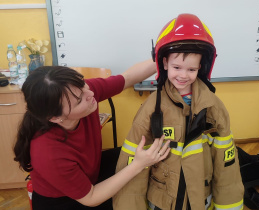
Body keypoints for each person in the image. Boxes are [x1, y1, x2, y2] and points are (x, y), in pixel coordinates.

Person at [113, 14, 244, 210]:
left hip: (200, 199)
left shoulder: (213, 107)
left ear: (201, 67)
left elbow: (227, 165)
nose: (183, 75)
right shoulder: (152, 109)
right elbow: (133, 163)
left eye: (191, 69)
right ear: (164, 63)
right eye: (176, 67)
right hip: (162, 201)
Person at [13, 59, 171, 210]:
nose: (90, 94)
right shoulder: (47, 152)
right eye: (79, 100)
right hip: (65, 202)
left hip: (91, 173)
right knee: (136, 169)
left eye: (83, 85)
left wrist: (162, 56)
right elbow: (91, 197)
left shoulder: (79, 92)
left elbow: (127, 78)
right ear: (56, 117)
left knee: (138, 154)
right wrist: (138, 165)